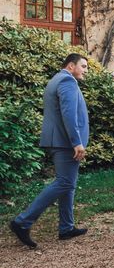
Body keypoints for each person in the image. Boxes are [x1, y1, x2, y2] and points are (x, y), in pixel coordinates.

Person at [10, 54, 90, 248]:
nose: (86, 70)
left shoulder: (56, 79)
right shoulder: (67, 81)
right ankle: (22, 222)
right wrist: (76, 142)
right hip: (65, 142)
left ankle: (66, 227)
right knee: (64, 182)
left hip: (60, 141)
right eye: (83, 66)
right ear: (71, 66)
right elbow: (69, 115)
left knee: (68, 184)